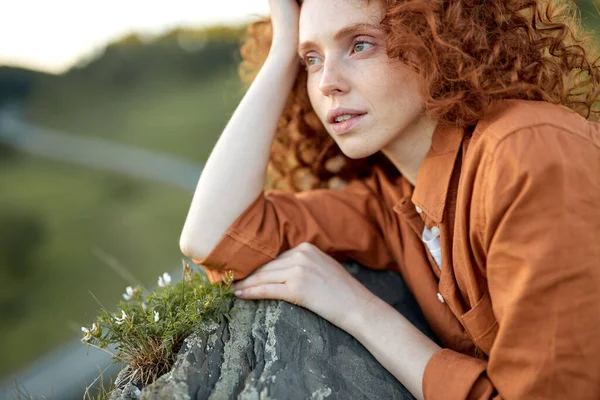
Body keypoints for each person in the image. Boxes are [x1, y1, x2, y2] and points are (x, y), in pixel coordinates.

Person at [179, 0, 600, 398]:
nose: (327, 84)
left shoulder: (529, 155)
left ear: (437, 41)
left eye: (359, 45)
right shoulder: (392, 197)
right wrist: (282, 50)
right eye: (310, 60)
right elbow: (215, 237)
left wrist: (362, 313)